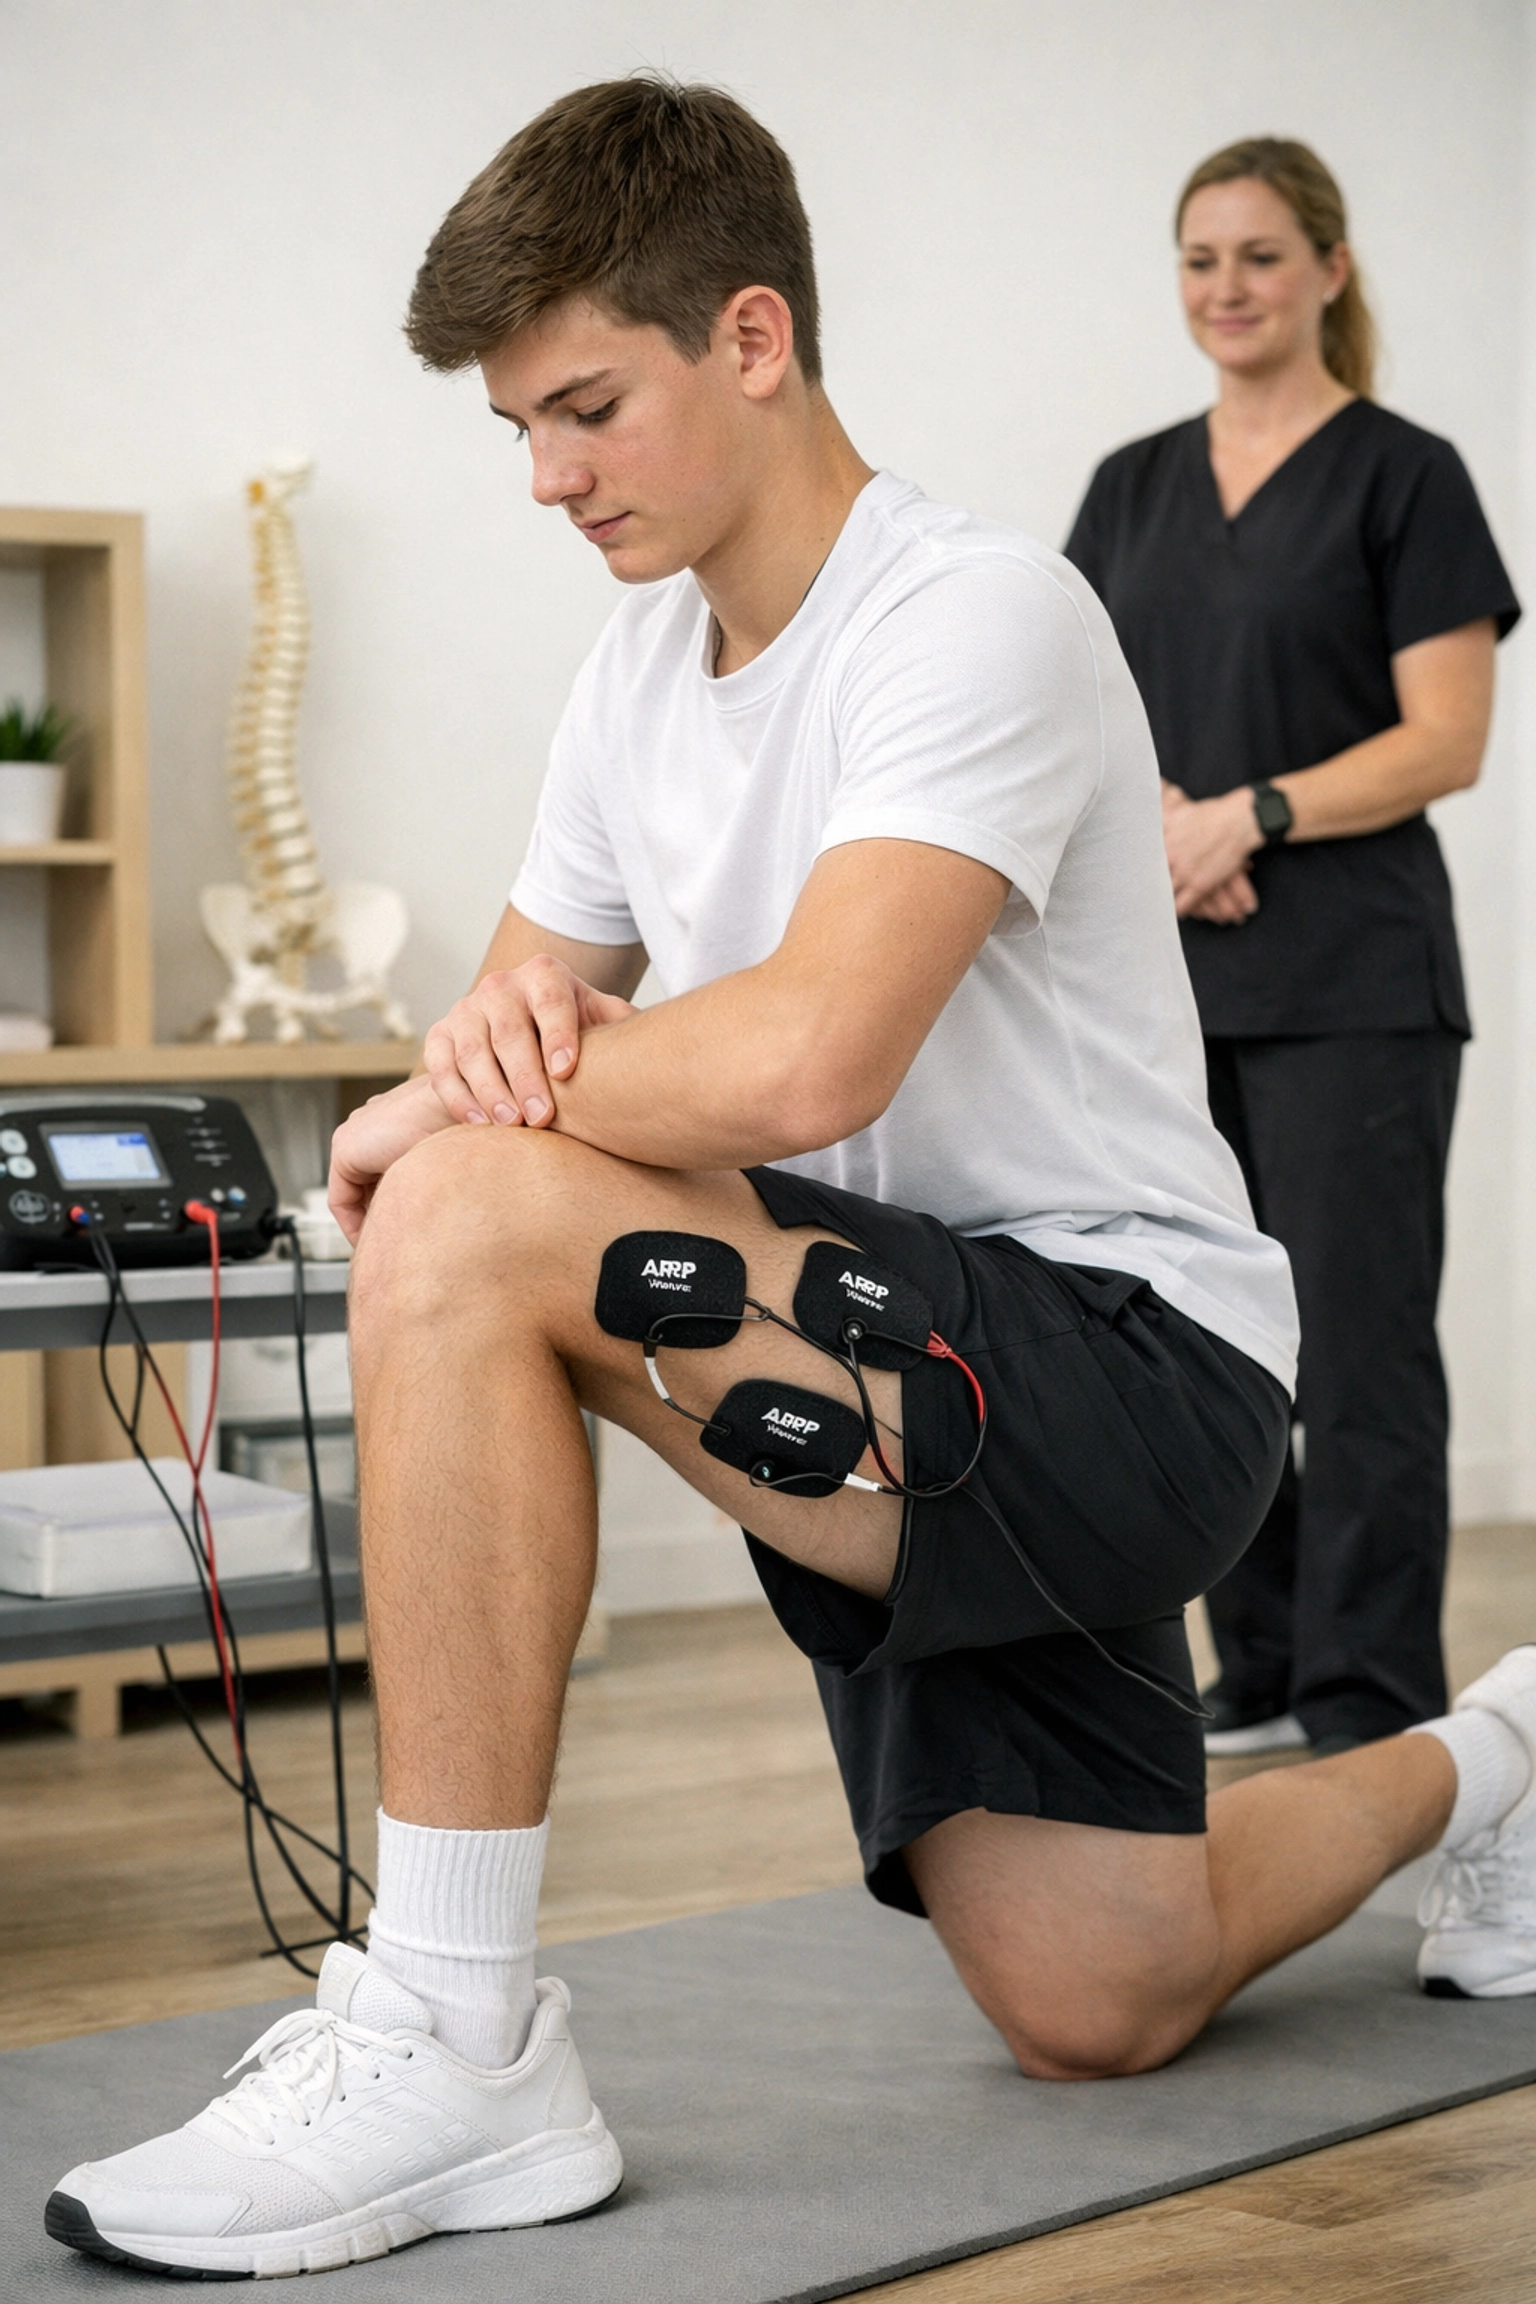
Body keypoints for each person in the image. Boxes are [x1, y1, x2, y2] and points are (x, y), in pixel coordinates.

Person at [44, 82, 1536, 2283]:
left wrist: (460, 1122)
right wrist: (470, 1090)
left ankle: (457, 2036)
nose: (547, 477)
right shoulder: (633, 673)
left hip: (1132, 1366)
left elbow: (811, 1045)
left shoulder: (978, 614)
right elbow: (511, 1023)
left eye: (585, 408)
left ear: (753, 338)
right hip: (898, 1345)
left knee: (461, 1214)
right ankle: (1498, 1758)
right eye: (519, 429)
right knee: (1099, 1997)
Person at [1064, 138, 1520, 1760]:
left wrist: (1244, 814)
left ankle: (1372, 1701)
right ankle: (1254, 1669)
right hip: (1167, 987)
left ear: (1330, 268)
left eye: (1260, 256)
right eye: (1199, 259)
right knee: (1207, 1339)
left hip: (1357, 989)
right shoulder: (1129, 486)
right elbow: (1074, 715)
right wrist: (1163, 833)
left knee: (1361, 1351)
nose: (1227, 290)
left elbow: (1445, 740)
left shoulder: (1408, 475)